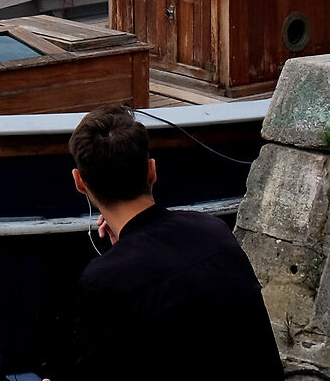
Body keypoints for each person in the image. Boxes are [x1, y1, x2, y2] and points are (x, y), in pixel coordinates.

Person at [54, 104, 281, 381]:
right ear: (152, 171)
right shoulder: (213, 230)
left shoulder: (102, 281)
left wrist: (121, 257)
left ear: (80, 182)